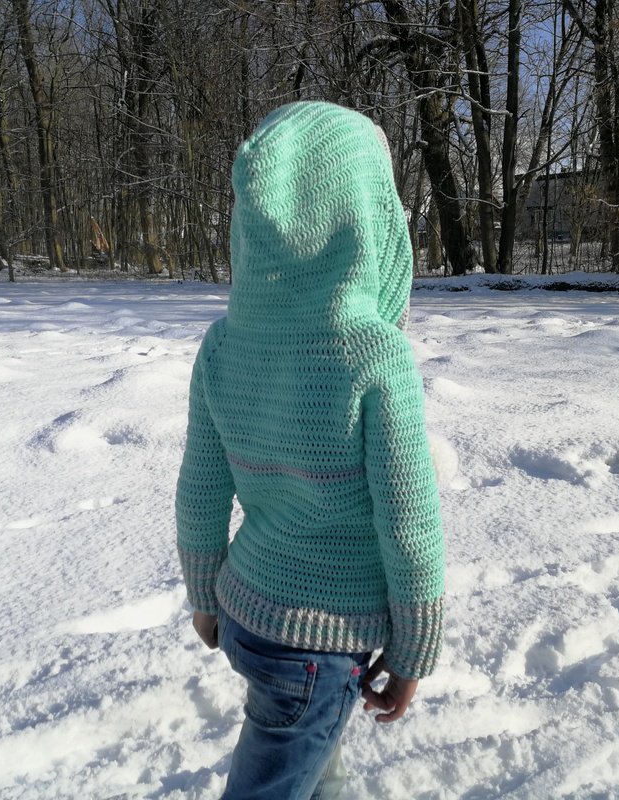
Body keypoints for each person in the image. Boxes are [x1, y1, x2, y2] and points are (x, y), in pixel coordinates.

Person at [175, 101, 445, 800]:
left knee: (310, 757)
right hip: (321, 642)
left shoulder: (224, 345)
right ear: (367, 219)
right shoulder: (374, 355)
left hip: (244, 610)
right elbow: (409, 524)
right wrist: (414, 648)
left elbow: (201, 491)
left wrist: (204, 596)